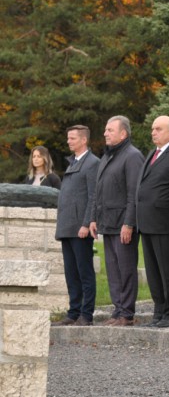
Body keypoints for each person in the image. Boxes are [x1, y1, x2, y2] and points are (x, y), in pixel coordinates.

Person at [90, 115, 145, 326]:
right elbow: (97, 192)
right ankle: (118, 310)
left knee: (126, 269)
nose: (105, 133)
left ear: (123, 134)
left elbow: (134, 194)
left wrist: (129, 223)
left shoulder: (132, 156)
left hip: (123, 224)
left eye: (110, 130)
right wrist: (93, 218)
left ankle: (127, 313)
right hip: (108, 223)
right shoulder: (107, 156)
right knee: (113, 270)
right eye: (105, 129)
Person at [136, 115, 169, 328]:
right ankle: (159, 311)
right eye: (152, 129)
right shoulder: (153, 153)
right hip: (148, 223)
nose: (153, 132)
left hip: (167, 224)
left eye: (158, 129)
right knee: (154, 272)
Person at [52, 126, 99, 326]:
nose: (68, 141)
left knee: (84, 272)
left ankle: (86, 314)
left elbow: (93, 196)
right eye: (68, 138)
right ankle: (73, 312)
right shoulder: (73, 163)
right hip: (67, 228)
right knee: (71, 273)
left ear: (83, 140)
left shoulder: (92, 163)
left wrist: (86, 223)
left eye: (72, 138)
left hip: (80, 228)